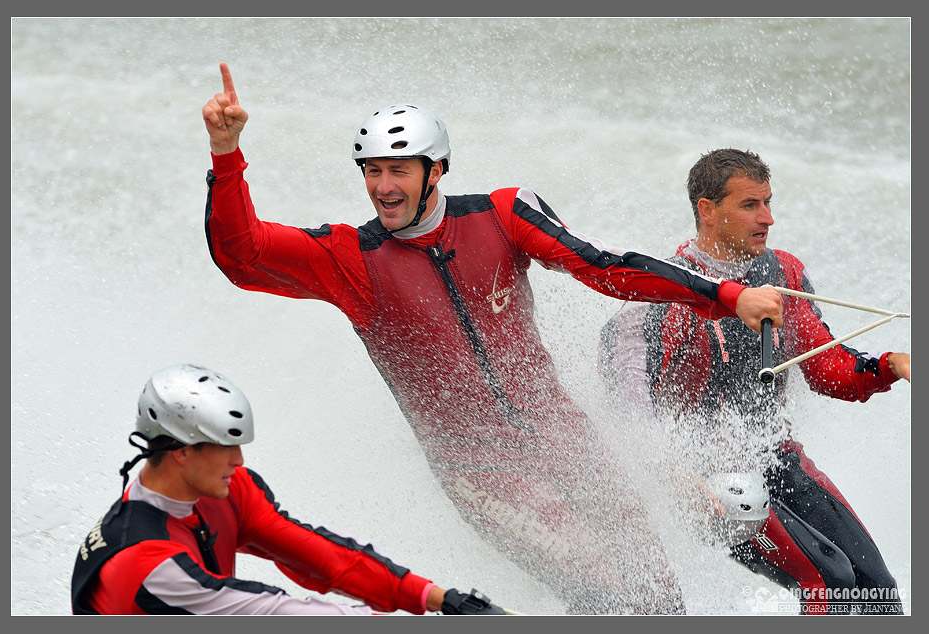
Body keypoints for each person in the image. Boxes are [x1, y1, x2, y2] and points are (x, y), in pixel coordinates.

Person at [201, 62, 783, 614]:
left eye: (398, 169)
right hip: (482, 472)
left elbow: (603, 265)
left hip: (566, 439)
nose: (383, 186)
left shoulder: (503, 215)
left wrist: (726, 296)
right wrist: (226, 156)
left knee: (656, 590)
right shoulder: (352, 258)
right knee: (603, 583)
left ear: (437, 169)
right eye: (372, 171)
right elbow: (241, 253)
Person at [598, 148, 909, 615]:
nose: (767, 217)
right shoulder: (659, 294)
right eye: (750, 206)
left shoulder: (782, 271)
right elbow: (627, 412)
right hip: (707, 483)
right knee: (828, 579)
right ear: (707, 210)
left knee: (875, 589)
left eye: (768, 202)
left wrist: (894, 365)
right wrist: (679, 480)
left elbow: (829, 373)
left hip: (774, 457)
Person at [71, 363, 507, 615]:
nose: (239, 462)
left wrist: (438, 599)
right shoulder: (147, 562)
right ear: (180, 450)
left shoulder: (227, 489)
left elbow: (321, 558)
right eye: (226, 448)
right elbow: (278, 614)